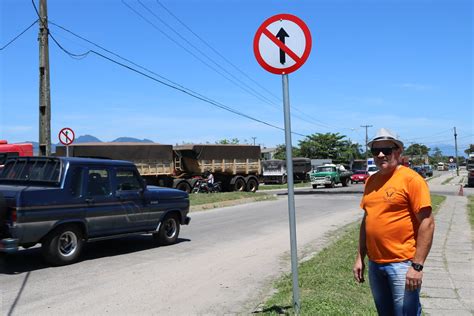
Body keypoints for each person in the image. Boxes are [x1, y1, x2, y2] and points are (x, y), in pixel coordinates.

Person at [352, 128, 435, 316]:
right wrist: (360, 257)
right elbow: (367, 221)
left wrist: (417, 266)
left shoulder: (411, 179)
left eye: (387, 150)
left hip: (402, 264)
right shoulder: (370, 181)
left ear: (398, 151)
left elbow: (427, 223)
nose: (381, 155)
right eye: (376, 151)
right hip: (375, 264)